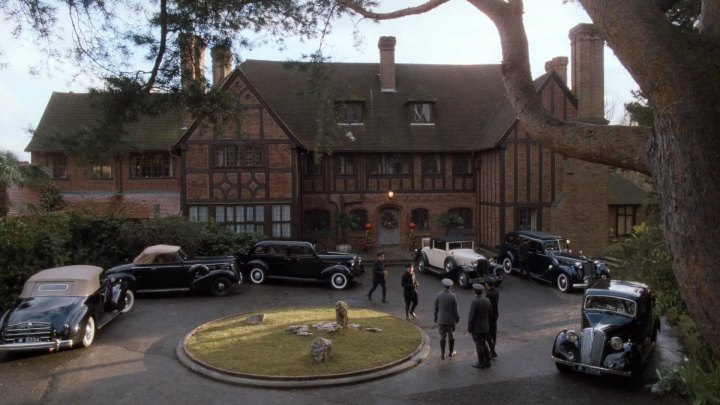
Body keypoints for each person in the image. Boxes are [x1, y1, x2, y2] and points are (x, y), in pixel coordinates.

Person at [467, 283, 493, 369]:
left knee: (479, 345)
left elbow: (471, 317)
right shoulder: (487, 300)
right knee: (484, 343)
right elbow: (490, 313)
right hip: (486, 327)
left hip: (477, 328)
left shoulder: (474, 302)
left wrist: (469, 328)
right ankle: (487, 361)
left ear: (474, 291)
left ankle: (480, 362)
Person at [434, 278, 460, 359]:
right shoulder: (453, 296)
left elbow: (436, 308)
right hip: (450, 320)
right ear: (450, 287)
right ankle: (451, 352)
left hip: (441, 319)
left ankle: (442, 354)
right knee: (451, 336)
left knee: (442, 336)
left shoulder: (438, 295)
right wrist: (457, 318)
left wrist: (435, 317)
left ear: (443, 285)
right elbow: (455, 310)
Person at [484, 276, 500, 358]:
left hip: (490, 316)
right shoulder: (496, 292)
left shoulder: (489, 294)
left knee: (488, 334)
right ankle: (492, 350)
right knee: (494, 332)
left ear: (487, 284)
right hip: (495, 314)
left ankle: (492, 350)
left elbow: (487, 305)